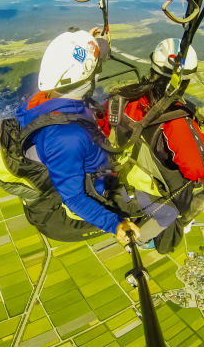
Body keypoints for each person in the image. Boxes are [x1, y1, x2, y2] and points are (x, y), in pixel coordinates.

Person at [100, 38, 204, 253]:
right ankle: (174, 224)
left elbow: (105, 128)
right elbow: (199, 170)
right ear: (186, 80)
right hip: (147, 188)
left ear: (153, 66)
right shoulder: (175, 120)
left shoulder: (124, 96)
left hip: (120, 176)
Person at [14, 28, 140, 245]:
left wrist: (90, 44)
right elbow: (74, 198)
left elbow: (82, 69)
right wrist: (115, 224)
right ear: (87, 77)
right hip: (92, 195)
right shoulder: (66, 138)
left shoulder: (44, 97)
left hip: (89, 165)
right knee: (157, 211)